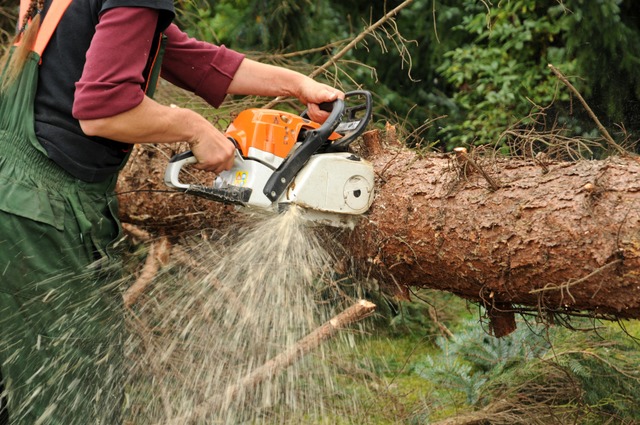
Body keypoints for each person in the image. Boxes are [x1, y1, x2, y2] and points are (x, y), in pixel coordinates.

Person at [0, 0, 344, 423]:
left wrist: (296, 84)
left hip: (12, 191)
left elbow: (187, 56)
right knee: (74, 397)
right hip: (41, 212)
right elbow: (102, 108)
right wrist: (194, 127)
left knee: (19, 383)